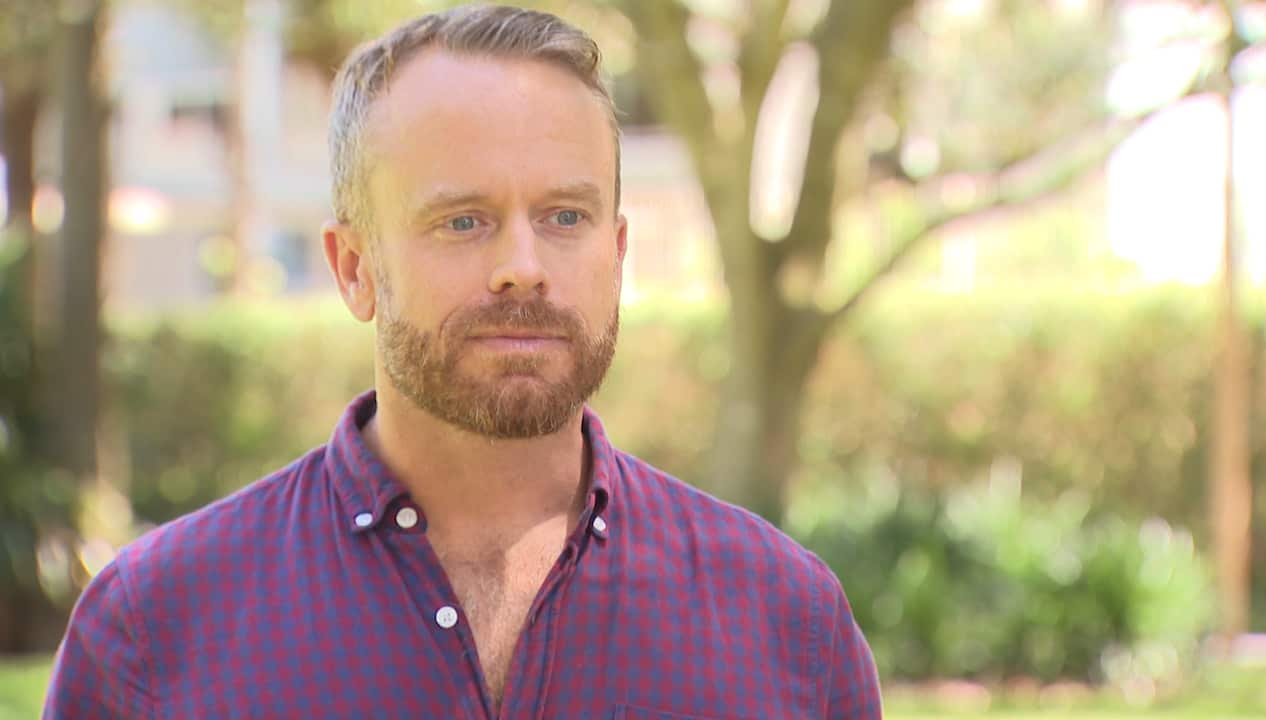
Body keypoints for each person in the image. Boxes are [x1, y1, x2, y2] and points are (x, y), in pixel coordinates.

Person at [43, 4, 881, 718]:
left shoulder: (786, 623)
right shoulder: (154, 633)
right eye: (463, 221)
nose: (524, 265)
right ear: (353, 268)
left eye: (564, 216)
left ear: (617, 253)